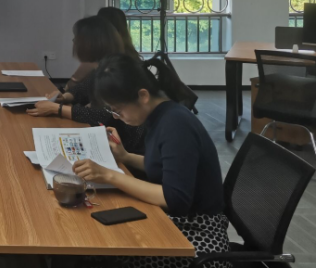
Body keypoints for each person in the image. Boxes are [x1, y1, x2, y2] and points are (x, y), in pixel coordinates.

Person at [73, 54, 230, 268]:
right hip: (179, 223)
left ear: (143, 96)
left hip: (197, 239)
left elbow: (174, 198)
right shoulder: (161, 116)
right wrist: (125, 157)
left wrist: (109, 175)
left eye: (118, 110)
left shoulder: (176, 124)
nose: (116, 117)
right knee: (94, 238)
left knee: (96, 249)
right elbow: (164, 165)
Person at [27, 16, 146, 155]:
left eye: (76, 38)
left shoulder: (118, 70)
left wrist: (56, 109)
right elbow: (84, 88)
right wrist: (64, 97)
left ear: (90, 43)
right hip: (110, 139)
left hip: (126, 148)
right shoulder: (104, 65)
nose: (74, 42)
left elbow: (103, 114)